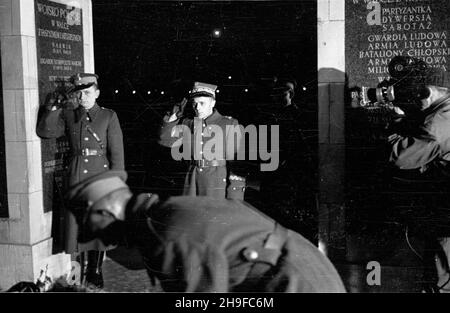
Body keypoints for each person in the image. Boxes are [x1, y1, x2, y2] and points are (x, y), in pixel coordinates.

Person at [65, 169, 346, 292]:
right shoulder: (164, 214)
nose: (104, 242)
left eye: (98, 230)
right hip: (300, 270)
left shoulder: (167, 232)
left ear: (106, 212)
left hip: (296, 283)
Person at [36, 73, 125, 289]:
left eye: (87, 92)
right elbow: (46, 132)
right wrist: (52, 109)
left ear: (97, 93)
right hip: (75, 176)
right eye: (79, 93)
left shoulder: (108, 116)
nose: (83, 97)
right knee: (75, 228)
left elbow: (117, 154)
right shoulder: (69, 115)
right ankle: (76, 271)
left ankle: (95, 270)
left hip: (100, 177)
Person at [387, 65, 450, 292]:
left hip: (446, 215)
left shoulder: (438, 125)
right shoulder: (444, 108)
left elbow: (401, 157)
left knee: (443, 280)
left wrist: (395, 125)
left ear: (426, 93)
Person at [158, 81, 245, 200]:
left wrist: (235, 192)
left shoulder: (228, 123)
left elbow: (237, 162)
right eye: (194, 103)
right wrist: (174, 115)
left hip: (216, 182)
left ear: (213, 103)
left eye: (202, 103)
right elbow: (165, 140)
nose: (197, 107)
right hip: (191, 180)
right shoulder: (188, 123)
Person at [258, 77, 316, 242]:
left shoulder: (299, 115)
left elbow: (303, 145)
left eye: (282, 91)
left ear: (290, 94)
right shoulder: (269, 115)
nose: (277, 95)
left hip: (292, 172)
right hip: (273, 171)